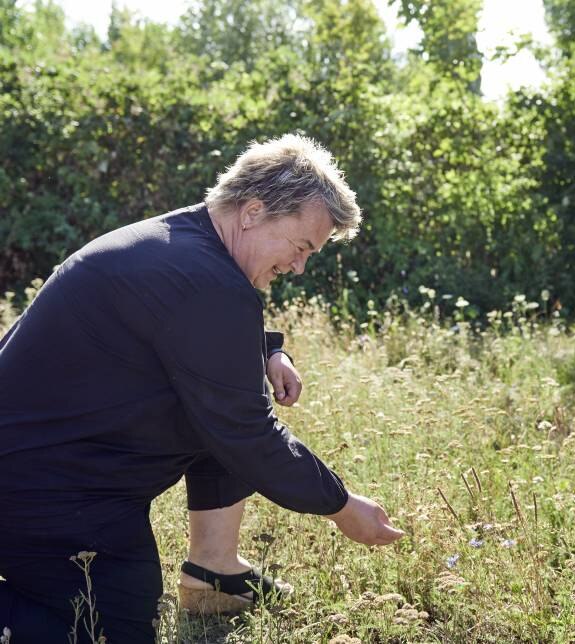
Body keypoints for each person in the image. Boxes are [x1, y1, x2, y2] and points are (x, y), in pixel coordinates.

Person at [0, 134, 405, 642]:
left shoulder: (183, 243)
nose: (299, 267)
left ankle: (215, 571)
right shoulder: (206, 281)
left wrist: (267, 351)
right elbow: (249, 435)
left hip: (38, 469)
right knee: (114, 631)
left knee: (228, 389)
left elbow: (187, 335)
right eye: (301, 247)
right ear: (254, 212)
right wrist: (343, 506)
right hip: (44, 494)